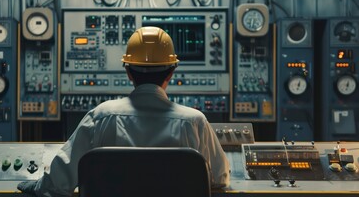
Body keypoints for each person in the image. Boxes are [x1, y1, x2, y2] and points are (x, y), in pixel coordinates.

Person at [18, 26, 230, 196]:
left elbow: (58, 183)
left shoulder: (101, 116)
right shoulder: (194, 122)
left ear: (128, 71)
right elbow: (219, 180)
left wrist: (36, 186)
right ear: (171, 72)